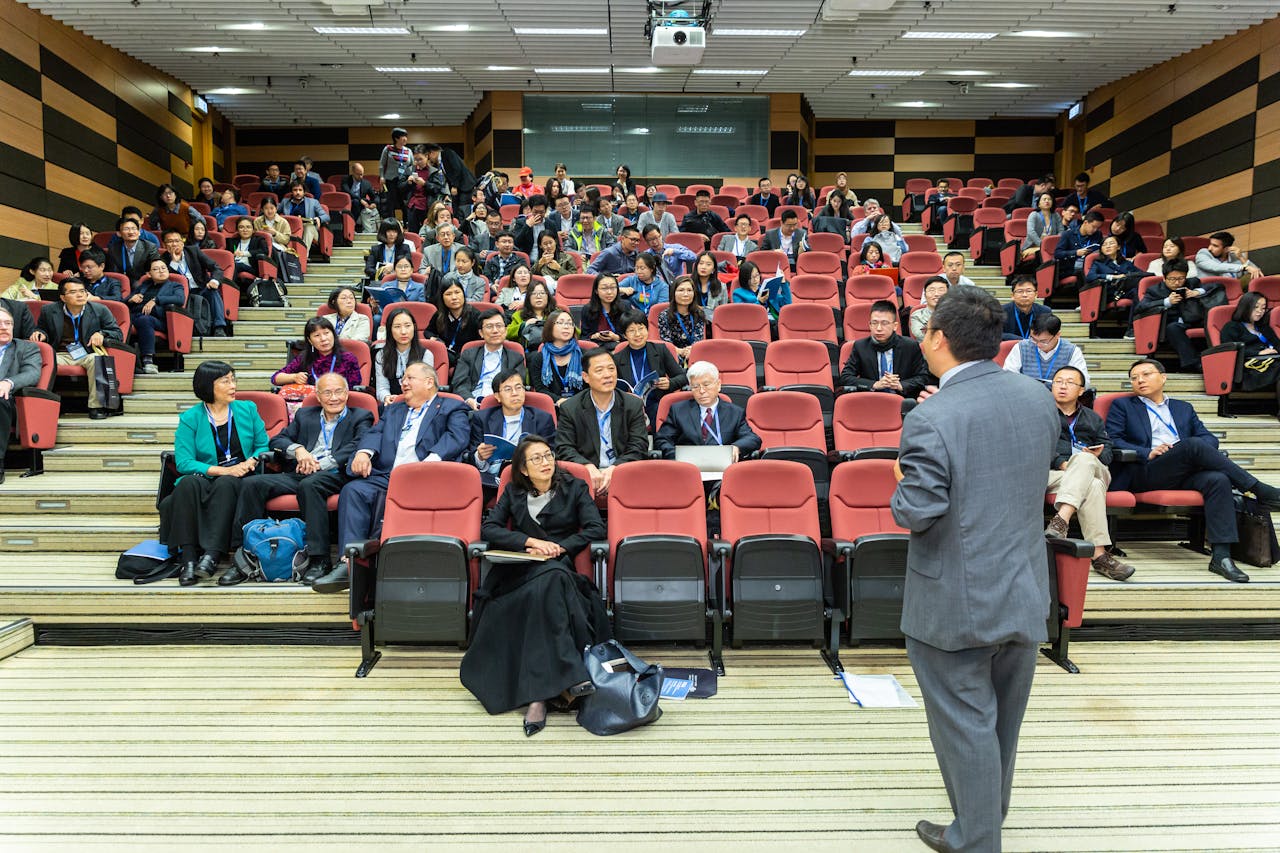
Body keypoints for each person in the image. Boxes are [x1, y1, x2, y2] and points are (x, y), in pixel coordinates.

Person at [891, 285, 1060, 853]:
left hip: (954, 601)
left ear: (938, 338)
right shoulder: (1038, 398)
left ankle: (978, 839)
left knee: (964, 724)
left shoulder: (932, 416)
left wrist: (899, 482)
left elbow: (919, 510)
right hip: (1025, 588)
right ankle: (984, 820)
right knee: (1000, 725)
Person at [459, 435, 609, 736]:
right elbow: (489, 527)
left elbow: (596, 527)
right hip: (520, 570)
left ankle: (538, 697)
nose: (546, 462)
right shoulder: (513, 491)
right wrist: (530, 541)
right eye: (537, 459)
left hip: (559, 568)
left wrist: (558, 547)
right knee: (545, 590)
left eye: (548, 455)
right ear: (523, 470)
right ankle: (568, 675)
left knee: (553, 582)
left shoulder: (575, 487)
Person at [1106, 359, 1280, 583]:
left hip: (1184, 470)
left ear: (1163, 377)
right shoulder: (1124, 406)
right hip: (1146, 470)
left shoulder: (1182, 407)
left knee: (1217, 479)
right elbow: (1113, 440)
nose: (1139, 380)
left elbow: (1209, 438)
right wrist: (1147, 451)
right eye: (1134, 377)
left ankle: (1221, 556)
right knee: (1192, 445)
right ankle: (1260, 489)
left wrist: (1186, 451)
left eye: (1146, 374)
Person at [317, 361, 470, 593]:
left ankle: (376, 566)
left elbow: (457, 437)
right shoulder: (395, 409)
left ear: (429, 382)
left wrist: (430, 463)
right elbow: (375, 433)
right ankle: (349, 564)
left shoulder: (451, 407)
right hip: (389, 474)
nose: (403, 382)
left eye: (410, 378)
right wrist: (363, 453)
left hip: (427, 477)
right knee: (354, 490)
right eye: (403, 379)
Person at [224, 371, 375, 586]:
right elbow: (279, 439)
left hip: (336, 475)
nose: (334, 398)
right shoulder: (306, 415)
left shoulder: (360, 416)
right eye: (328, 393)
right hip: (301, 471)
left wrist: (318, 464)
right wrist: (300, 451)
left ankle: (319, 559)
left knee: (310, 484)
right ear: (318, 396)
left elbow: (357, 445)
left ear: (347, 393)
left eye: (339, 392)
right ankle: (243, 556)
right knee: (251, 484)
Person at [161, 361, 271, 586]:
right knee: (187, 485)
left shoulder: (247, 409)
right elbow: (183, 461)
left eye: (233, 379)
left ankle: (211, 556)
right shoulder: (190, 418)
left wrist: (249, 462)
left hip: (239, 476)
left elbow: (263, 445)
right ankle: (189, 560)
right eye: (225, 381)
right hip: (205, 475)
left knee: (227, 483)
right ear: (207, 386)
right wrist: (223, 469)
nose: (233, 385)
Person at [1043, 365, 1136, 581]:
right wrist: (1062, 462)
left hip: (1094, 468)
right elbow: (1034, 445)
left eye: (1069, 382)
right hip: (1055, 473)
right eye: (1058, 381)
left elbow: (1108, 450)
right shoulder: (1041, 413)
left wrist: (1097, 455)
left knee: (1086, 460)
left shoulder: (1092, 418)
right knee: (1092, 486)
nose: (1063, 386)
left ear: (1081, 390)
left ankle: (1061, 520)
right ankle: (1100, 555)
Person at [553, 347, 648, 496]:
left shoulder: (633, 405)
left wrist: (616, 468)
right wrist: (586, 466)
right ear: (586, 377)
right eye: (599, 370)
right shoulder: (571, 408)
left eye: (611, 368)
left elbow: (639, 446)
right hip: (585, 477)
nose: (607, 375)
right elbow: (564, 447)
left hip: (624, 473)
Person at [34, 278, 122, 418]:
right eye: (73, 292)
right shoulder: (49, 310)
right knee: (38, 361)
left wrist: (102, 334)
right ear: (63, 297)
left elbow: (118, 333)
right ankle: (40, 405)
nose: (80, 295)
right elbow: (42, 328)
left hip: (87, 353)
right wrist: (40, 333)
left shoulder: (99, 310)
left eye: (82, 291)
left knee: (97, 359)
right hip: (60, 354)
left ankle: (97, 407)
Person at [654, 360, 759, 461]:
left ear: (718, 385)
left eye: (706, 385)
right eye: (695, 386)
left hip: (722, 468)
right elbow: (662, 439)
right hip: (688, 467)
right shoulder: (678, 410)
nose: (702, 391)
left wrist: (736, 447)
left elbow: (752, 438)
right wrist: (679, 456)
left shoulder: (734, 413)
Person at [468, 369, 556, 489]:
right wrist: (480, 456)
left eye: (519, 387)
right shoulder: (482, 418)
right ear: (497, 396)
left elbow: (553, 453)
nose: (515, 393)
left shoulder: (542, 419)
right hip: (491, 480)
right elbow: (472, 455)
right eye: (508, 389)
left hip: (530, 478)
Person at [1135, 258, 1222, 371]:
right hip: (1171, 324)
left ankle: (1219, 361)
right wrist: (1166, 302)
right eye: (1172, 279)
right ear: (1164, 278)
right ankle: (1194, 364)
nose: (1177, 282)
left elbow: (1217, 286)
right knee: (1173, 328)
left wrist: (1198, 292)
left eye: (1181, 278)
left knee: (1215, 324)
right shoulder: (1155, 290)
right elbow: (1140, 307)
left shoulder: (1192, 283)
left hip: (1195, 320)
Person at [839, 300, 932, 397]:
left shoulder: (910, 346)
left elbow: (923, 377)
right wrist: (874, 384)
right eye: (874, 323)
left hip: (903, 400)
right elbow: (845, 377)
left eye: (884, 323)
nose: (879, 328)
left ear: (895, 326)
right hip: (872, 399)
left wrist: (901, 385)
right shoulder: (861, 346)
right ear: (870, 325)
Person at [613, 311, 686, 424]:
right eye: (632, 330)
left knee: (660, 416)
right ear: (624, 335)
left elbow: (682, 377)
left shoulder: (660, 350)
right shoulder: (617, 358)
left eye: (641, 328)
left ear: (647, 329)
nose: (637, 334)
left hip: (655, 403)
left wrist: (669, 383)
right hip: (628, 406)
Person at [0, 306, 43, 483]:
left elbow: (32, 374)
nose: (4, 327)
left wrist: (8, 383)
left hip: (12, 403)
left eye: (8, 323)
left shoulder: (26, 348)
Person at [160, 229, 229, 338]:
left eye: (177, 241)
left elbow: (216, 268)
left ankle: (219, 327)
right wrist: (173, 262)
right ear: (164, 244)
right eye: (170, 241)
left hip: (202, 288)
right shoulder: (162, 260)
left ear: (182, 242)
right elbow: (166, 279)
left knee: (213, 292)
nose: (174, 244)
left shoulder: (193, 251)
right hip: (182, 295)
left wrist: (214, 280)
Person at [453, 309, 526, 409]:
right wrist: (469, 399)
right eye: (489, 327)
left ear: (505, 331)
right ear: (481, 333)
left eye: (499, 326)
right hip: (473, 403)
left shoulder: (516, 358)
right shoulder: (469, 354)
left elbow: (516, 387)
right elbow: (459, 383)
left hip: (501, 404)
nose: (495, 331)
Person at [1220, 292, 1280, 405]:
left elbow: (1278, 345)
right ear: (1246, 306)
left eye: (1263, 308)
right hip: (1249, 370)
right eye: (1256, 307)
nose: (1260, 311)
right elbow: (1230, 351)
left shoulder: (1264, 328)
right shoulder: (1232, 327)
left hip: (1272, 363)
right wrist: (1259, 352)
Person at [1002, 311, 1090, 388]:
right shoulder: (1021, 347)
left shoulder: (1072, 351)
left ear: (1057, 335)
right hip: (1027, 396)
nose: (1037, 344)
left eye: (1043, 341)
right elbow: (1008, 377)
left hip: (1058, 400)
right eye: (1033, 339)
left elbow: (1084, 383)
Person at [272, 316, 363, 390]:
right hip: (310, 404)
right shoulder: (304, 358)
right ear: (310, 340)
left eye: (326, 333)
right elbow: (275, 378)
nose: (323, 339)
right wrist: (294, 377)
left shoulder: (348, 358)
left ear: (333, 335)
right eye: (317, 335)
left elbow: (354, 389)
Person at [129, 258, 186, 374]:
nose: (161, 271)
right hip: (135, 316)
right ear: (149, 274)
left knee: (145, 320)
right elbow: (125, 299)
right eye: (156, 269)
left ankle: (148, 361)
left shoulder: (175, 286)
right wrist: (131, 299)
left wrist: (156, 300)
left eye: (163, 268)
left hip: (159, 320)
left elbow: (180, 299)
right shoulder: (144, 285)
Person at [373, 307, 431, 407]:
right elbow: (382, 388)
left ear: (414, 327)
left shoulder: (426, 354)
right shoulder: (381, 355)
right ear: (390, 329)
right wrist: (387, 397)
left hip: (419, 404)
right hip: (392, 404)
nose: (403, 331)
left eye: (407, 326)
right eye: (397, 326)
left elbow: (426, 388)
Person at [527, 310, 585, 404]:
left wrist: (574, 403)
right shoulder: (538, 359)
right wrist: (558, 400)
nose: (566, 326)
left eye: (570, 323)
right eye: (560, 322)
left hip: (581, 407)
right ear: (550, 327)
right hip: (552, 407)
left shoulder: (584, 355)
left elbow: (591, 386)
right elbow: (540, 389)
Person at [431, 281, 481, 367]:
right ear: (442, 297)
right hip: (445, 354)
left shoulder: (475, 315)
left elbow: (479, 342)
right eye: (448, 294)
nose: (454, 297)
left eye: (457, 292)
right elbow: (428, 331)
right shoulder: (440, 314)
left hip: (466, 358)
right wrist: (433, 338)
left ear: (463, 294)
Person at [658, 276, 707, 363]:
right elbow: (666, 342)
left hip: (695, 353)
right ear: (673, 293)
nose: (686, 294)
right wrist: (680, 351)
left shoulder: (699, 313)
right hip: (672, 354)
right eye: (681, 290)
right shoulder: (664, 315)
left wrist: (692, 350)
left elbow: (698, 338)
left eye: (689, 290)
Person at [420, 140, 477, 212]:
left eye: (428, 157)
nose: (429, 160)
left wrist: (454, 186)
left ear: (432, 153)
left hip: (465, 186)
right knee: (456, 209)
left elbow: (457, 168)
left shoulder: (447, 153)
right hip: (456, 190)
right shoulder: (439, 163)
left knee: (463, 209)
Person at [107, 216, 161, 287]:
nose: (131, 232)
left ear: (139, 232)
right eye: (126, 229)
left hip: (145, 283)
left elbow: (154, 269)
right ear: (119, 233)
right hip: (121, 284)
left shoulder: (150, 247)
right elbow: (113, 273)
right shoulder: (114, 249)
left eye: (134, 229)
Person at [280, 180, 330, 255]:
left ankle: (303, 256)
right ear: (291, 191)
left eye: (300, 190)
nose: (298, 192)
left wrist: (319, 218)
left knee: (308, 227)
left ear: (304, 192)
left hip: (310, 231)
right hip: (291, 230)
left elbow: (326, 217)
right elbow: (274, 212)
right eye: (295, 190)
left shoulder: (313, 202)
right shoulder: (285, 202)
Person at [1054, 210, 1105, 281]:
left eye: (1098, 228)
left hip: (1090, 266)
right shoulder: (1068, 234)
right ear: (1085, 222)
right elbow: (1057, 253)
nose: (1095, 230)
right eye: (1093, 227)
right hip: (1072, 268)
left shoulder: (1098, 234)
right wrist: (1075, 252)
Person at [1195, 230, 1265, 281]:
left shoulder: (1235, 257)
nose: (1209, 248)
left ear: (1226, 249)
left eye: (1215, 246)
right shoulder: (1203, 253)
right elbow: (1215, 267)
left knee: (1254, 276)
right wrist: (1244, 267)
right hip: (1210, 291)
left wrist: (1241, 258)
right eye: (1210, 244)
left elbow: (1257, 273)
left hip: (1232, 290)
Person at [507, 280, 556, 349]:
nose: (538, 296)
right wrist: (524, 325)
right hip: (530, 352)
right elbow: (507, 333)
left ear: (548, 296)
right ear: (528, 297)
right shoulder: (519, 315)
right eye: (534, 293)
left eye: (542, 293)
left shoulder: (557, 314)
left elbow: (575, 332)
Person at [579, 274, 625, 348]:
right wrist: (594, 336)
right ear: (596, 291)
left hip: (619, 347)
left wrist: (617, 337)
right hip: (596, 348)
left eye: (613, 287)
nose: (609, 292)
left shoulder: (625, 306)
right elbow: (584, 337)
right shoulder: (588, 309)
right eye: (604, 288)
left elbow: (629, 334)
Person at [1003, 275, 1054, 341]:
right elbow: (997, 334)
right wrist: (1021, 340)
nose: (1025, 295)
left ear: (1036, 295)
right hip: (1009, 349)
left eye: (1029, 291)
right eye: (1020, 291)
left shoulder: (1045, 311)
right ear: (1012, 296)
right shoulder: (1001, 311)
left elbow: (1049, 334)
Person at [1021, 191, 1063, 264]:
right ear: (1039, 204)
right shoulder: (1034, 215)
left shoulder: (1056, 215)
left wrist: (1055, 244)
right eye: (1044, 199)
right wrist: (1042, 246)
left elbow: (1061, 231)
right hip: (1033, 246)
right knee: (1040, 255)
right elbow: (1031, 232)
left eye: (1049, 199)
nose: (1047, 201)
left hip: (1051, 247)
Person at [228, 217, 271, 283]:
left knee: (235, 266)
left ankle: (228, 287)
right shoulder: (232, 241)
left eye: (248, 227)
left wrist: (245, 253)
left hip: (251, 268)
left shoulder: (259, 240)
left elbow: (264, 251)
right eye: (241, 227)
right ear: (237, 230)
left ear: (253, 230)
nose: (245, 230)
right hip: (235, 265)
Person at [342, 161, 380, 234]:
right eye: (358, 174)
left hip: (360, 205)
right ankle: (351, 226)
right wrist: (360, 200)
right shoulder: (345, 180)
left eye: (362, 174)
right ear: (352, 172)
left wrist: (374, 203)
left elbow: (375, 196)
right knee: (356, 202)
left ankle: (362, 227)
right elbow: (348, 192)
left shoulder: (366, 183)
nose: (360, 177)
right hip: (348, 202)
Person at [689, 251, 728, 318]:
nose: (703, 267)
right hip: (691, 320)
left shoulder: (721, 286)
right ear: (696, 266)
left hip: (712, 322)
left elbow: (723, 311)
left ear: (713, 269)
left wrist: (701, 309)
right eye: (701, 263)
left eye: (708, 264)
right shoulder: (688, 284)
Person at [910, 277, 949, 342]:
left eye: (941, 290)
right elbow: (920, 335)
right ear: (925, 295)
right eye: (932, 290)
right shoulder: (917, 316)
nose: (936, 294)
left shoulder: (957, 314)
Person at [511, 194, 549, 258]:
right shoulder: (521, 222)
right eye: (536, 212)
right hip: (526, 259)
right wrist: (527, 226)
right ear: (531, 210)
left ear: (545, 211)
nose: (538, 215)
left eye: (541, 212)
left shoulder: (550, 224)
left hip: (546, 258)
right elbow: (516, 243)